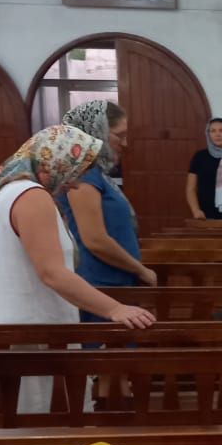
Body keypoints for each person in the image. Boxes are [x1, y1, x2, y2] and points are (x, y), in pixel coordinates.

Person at [0, 125, 156, 413]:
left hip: (22, 331)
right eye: (75, 171)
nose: (74, 184)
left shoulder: (10, 190)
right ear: (56, 159)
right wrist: (114, 309)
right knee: (43, 423)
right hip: (31, 336)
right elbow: (53, 273)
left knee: (32, 422)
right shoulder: (31, 196)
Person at [57, 100, 156, 299]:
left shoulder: (99, 173)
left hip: (116, 281)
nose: (125, 143)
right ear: (97, 133)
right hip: (100, 284)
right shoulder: (85, 174)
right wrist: (141, 271)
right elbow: (95, 240)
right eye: (120, 135)